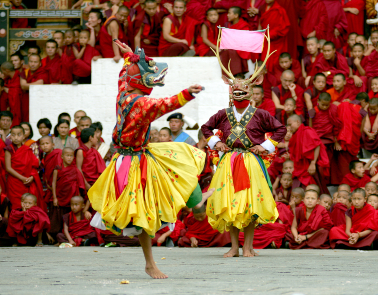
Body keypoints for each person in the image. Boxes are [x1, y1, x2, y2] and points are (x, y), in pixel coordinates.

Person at [88, 41, 209, 278]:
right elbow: (166, 104)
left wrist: (129, 56)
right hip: (133, 164)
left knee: (174, 171)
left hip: (132, 156)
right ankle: (150, 263)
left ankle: (195, 203)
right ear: (141, 81)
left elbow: (123, 74)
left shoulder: (123, 93)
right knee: (143, 213)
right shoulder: (141, 104)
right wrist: (188, 93)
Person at [201, 55, 287, 257]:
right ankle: (234, 248)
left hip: (250, 162)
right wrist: (217, 142)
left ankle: (248, 247)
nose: (239, 94)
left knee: (250, 205)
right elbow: (206, 128)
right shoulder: (223, 113)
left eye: (243, 91)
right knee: (230, 204)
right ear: (231, 92)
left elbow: (280, 129)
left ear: (251, 92)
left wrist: (264, 146)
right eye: (235, 91)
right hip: (228, 162)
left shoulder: (260, 114)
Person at [288, 114, 330, 194]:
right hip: (300, 166)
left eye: (290, 124)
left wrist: (313, 163)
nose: (289, 127)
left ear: (297, 122)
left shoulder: (307, 131)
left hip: (309, 165)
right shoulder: (295, 135)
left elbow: (317, 145)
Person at [5, 126, 44, 210]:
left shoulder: (28, 149)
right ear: (10, 136)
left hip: (27, 183)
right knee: (16, 206)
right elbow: (8, 168)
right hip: (14, 182)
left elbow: (35, 166)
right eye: (13, 135)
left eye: (19, 135)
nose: (16, 137)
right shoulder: (9, 149)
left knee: (28, 206)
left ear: (23, 136)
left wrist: (32, 177)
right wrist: (23, 178)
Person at [310, 92, 342, 185]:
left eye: (327, 105)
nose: (324, 107)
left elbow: (336, 125)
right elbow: (311, 128)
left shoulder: (333, 109)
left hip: (329, 139)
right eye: (323, 104)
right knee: (320, 164)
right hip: (316, 139)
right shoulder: (312, 111)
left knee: (328, 162)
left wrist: (336, 141)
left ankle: (327, 181)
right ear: (318, 101)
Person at [258, 0, 290, 72]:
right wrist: (259, 35)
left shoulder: (280, 10)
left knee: (276, 62)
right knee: (265, 60)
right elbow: (260, 23)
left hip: (276, 41)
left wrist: (272, 34)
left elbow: (284, 28)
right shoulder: (262, 8)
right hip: (265, 39)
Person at [220, 7, 251, 76]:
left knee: (232, 51)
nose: (227, 15)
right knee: (225, 52)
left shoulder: (244, 26)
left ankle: (238, 73)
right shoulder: (227, 25)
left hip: (240, 47)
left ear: (236, 15)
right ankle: (227, 74)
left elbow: (244, 40)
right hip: (230, 47)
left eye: (229, 13)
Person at [19, 54, 48, 122]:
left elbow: (40, 84)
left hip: (39, 99)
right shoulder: (25, 72)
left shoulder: (43, 72)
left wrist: (27, 85)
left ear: (40, 63)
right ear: (28, 62)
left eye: (35, 62)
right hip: (26, 99)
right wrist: (33, 85)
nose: (33, 64)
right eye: (31, 61)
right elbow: (23, 86)